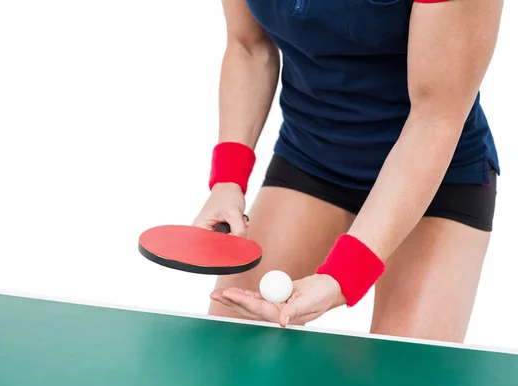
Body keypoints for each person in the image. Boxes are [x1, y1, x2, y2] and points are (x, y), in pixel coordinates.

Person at [192, 0, 504, 343]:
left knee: (407, 382)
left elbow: (435, 117)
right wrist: (228, 179)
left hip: (438, 180)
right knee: (233, 349)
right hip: (310, 158)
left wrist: (343, 276)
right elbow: (248, 46)